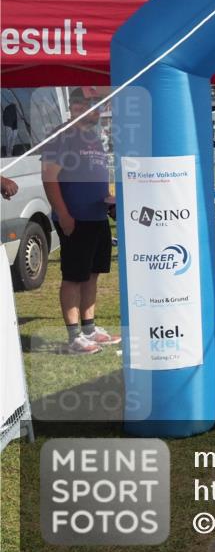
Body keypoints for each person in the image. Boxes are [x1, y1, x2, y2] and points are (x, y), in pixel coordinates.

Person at [41, 87, 121, 355]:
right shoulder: (62, 136)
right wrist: (63, 215)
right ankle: (74, 336)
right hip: (75, 218)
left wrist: (109, 199)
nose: (96, 109)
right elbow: (50, 178)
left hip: (97, 216)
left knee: (92, 274)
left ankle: (89, 329)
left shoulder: (93, 138)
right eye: (91, 104)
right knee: (74, 276)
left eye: (98, 104)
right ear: (77, 106)